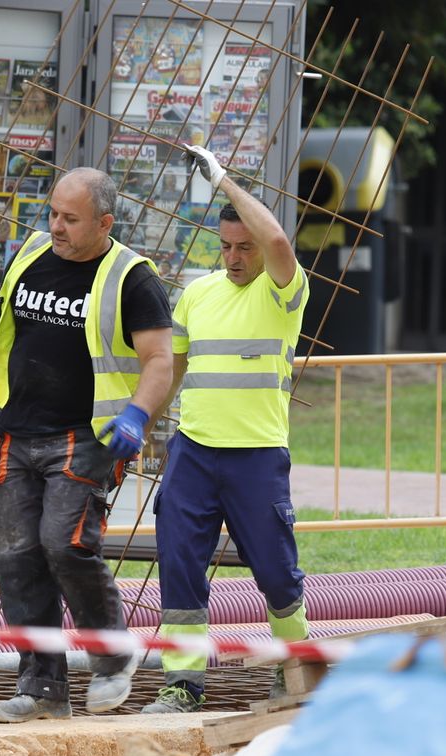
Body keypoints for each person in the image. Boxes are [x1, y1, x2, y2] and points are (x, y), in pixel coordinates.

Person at [0, 167, 173, 723]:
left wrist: (136, 417)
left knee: (65, 544)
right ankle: (42, 688)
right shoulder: (30, 255)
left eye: (70, 219)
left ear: (104, 222)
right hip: (18, 431)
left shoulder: (132, 277)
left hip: (84, 437)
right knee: (15, 556)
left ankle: (112, 655)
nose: (56, 226)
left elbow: (159, 360)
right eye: (52, 213)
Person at [140, 143, 309, 714]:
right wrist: (140, 423)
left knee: (277, 575)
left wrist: (225, 181)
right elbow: (174, 369)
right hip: (194, 454)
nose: (234, 258)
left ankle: (296, 670)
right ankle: (181, 685)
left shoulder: (284, 290)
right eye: (226, 246)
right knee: (180, 569)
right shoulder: (196, 295)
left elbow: (281, 243)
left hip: (257, 457)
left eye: (245, 247)